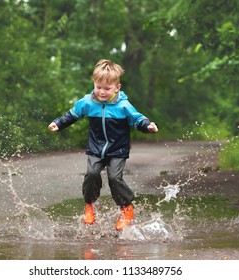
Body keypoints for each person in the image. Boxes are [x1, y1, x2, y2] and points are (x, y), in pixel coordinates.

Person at [48, 59, 158, 231]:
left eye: (107, 88)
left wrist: (147, 125)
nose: (102, 92)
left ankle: (126, 209)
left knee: (114, 178)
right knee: (91, 174)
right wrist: (59, 123)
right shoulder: (88, 102)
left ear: (117, 87)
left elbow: (137, 119)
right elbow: (73, 114)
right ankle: (90, 206)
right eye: (99, 87)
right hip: (96, 148)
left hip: (117, 150)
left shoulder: (123, 105)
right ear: (94, 84)